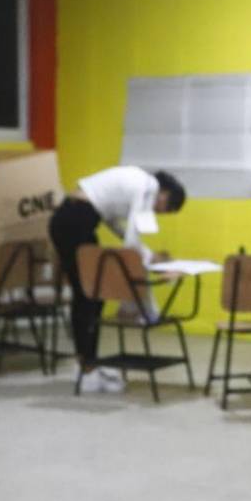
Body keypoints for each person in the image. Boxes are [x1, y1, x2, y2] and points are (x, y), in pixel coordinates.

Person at [48, 167, 186, 394]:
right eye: (166, 209)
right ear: (165, 194)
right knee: (89, 296)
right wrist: (154, 263)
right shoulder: (148, 187)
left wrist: (149, 256)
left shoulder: (139, 182)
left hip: (69, 219)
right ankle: (87, 369)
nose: (160, 213)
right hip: (75, 223)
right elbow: (131, 243)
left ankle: (87, 364)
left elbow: (113, 224)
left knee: (90, 296)